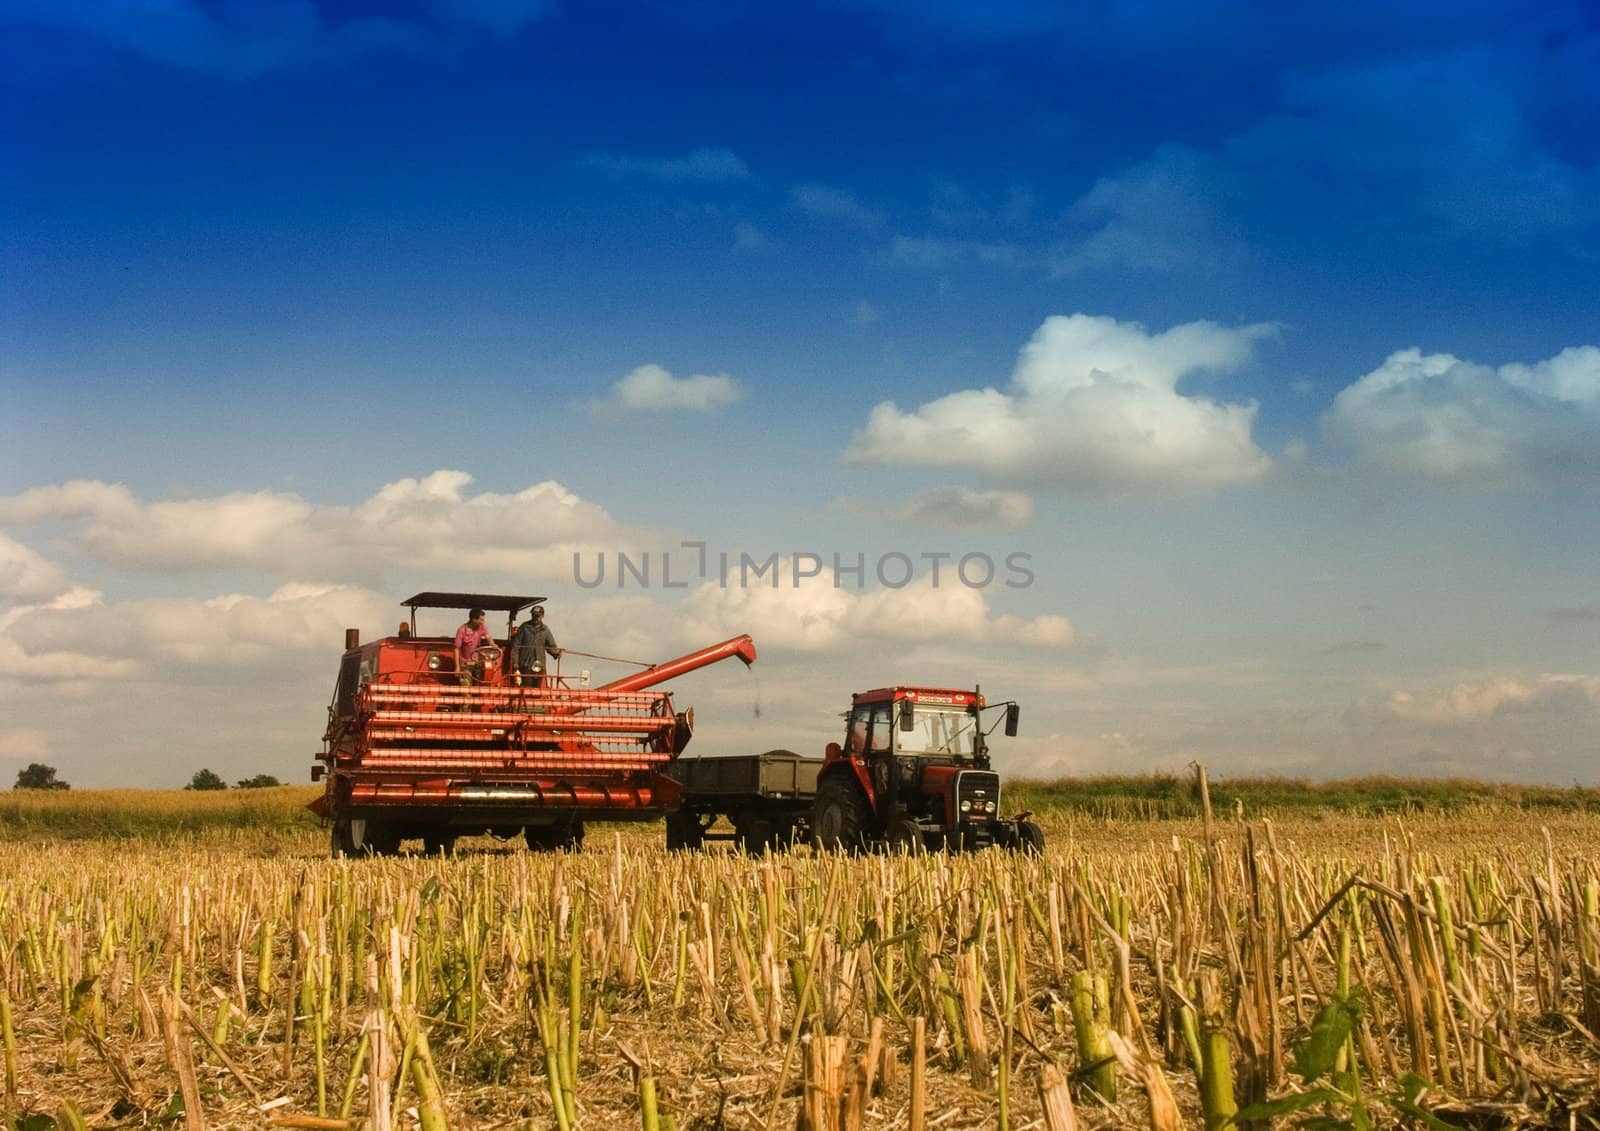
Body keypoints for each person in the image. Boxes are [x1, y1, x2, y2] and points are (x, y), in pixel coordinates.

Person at [512, 605, 562, 687]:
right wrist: (515, 663)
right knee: (526, 690)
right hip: (526, 664)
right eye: (533, 615)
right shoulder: (524, 627)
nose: (535, 618)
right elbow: (516, 646)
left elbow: (551, 645)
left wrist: (556, 653)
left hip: (540, 665)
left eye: (537, 616)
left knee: (537, 692)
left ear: (542, 616)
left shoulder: (545, 630)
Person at [453, 607, 495, 684]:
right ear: (474, 619)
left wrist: (492, 644)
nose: (483, 622)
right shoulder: (461, 630)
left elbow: (488, 637)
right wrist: (457, 667)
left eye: (483, 620)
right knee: (466, 685)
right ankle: (467, 695)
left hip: (478, 662)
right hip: (466, 663)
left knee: (483, 680)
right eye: (481, 620)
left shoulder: (482, 627)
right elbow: (456, 649)